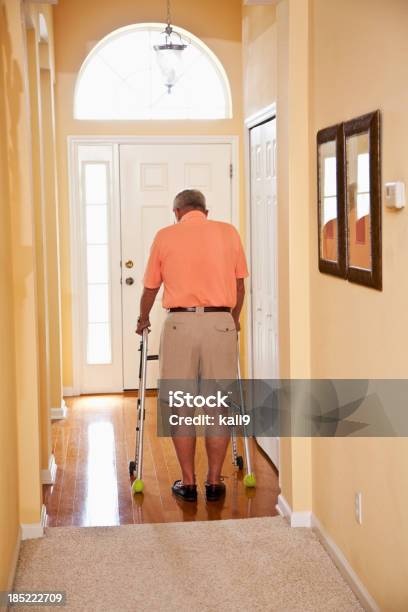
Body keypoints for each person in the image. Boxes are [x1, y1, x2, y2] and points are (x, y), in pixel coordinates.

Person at [136, 189, 248, 502]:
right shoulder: (228, 233)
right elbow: (240, 286)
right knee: (217, 408)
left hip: (180, 324)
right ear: (205, 210)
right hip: (220, 322)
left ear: (177, 211)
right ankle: (214, 482)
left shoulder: (165, 235)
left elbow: (150, 288)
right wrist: (232, 320)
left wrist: (142, 319)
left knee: (182, 407)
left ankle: (187, 483)